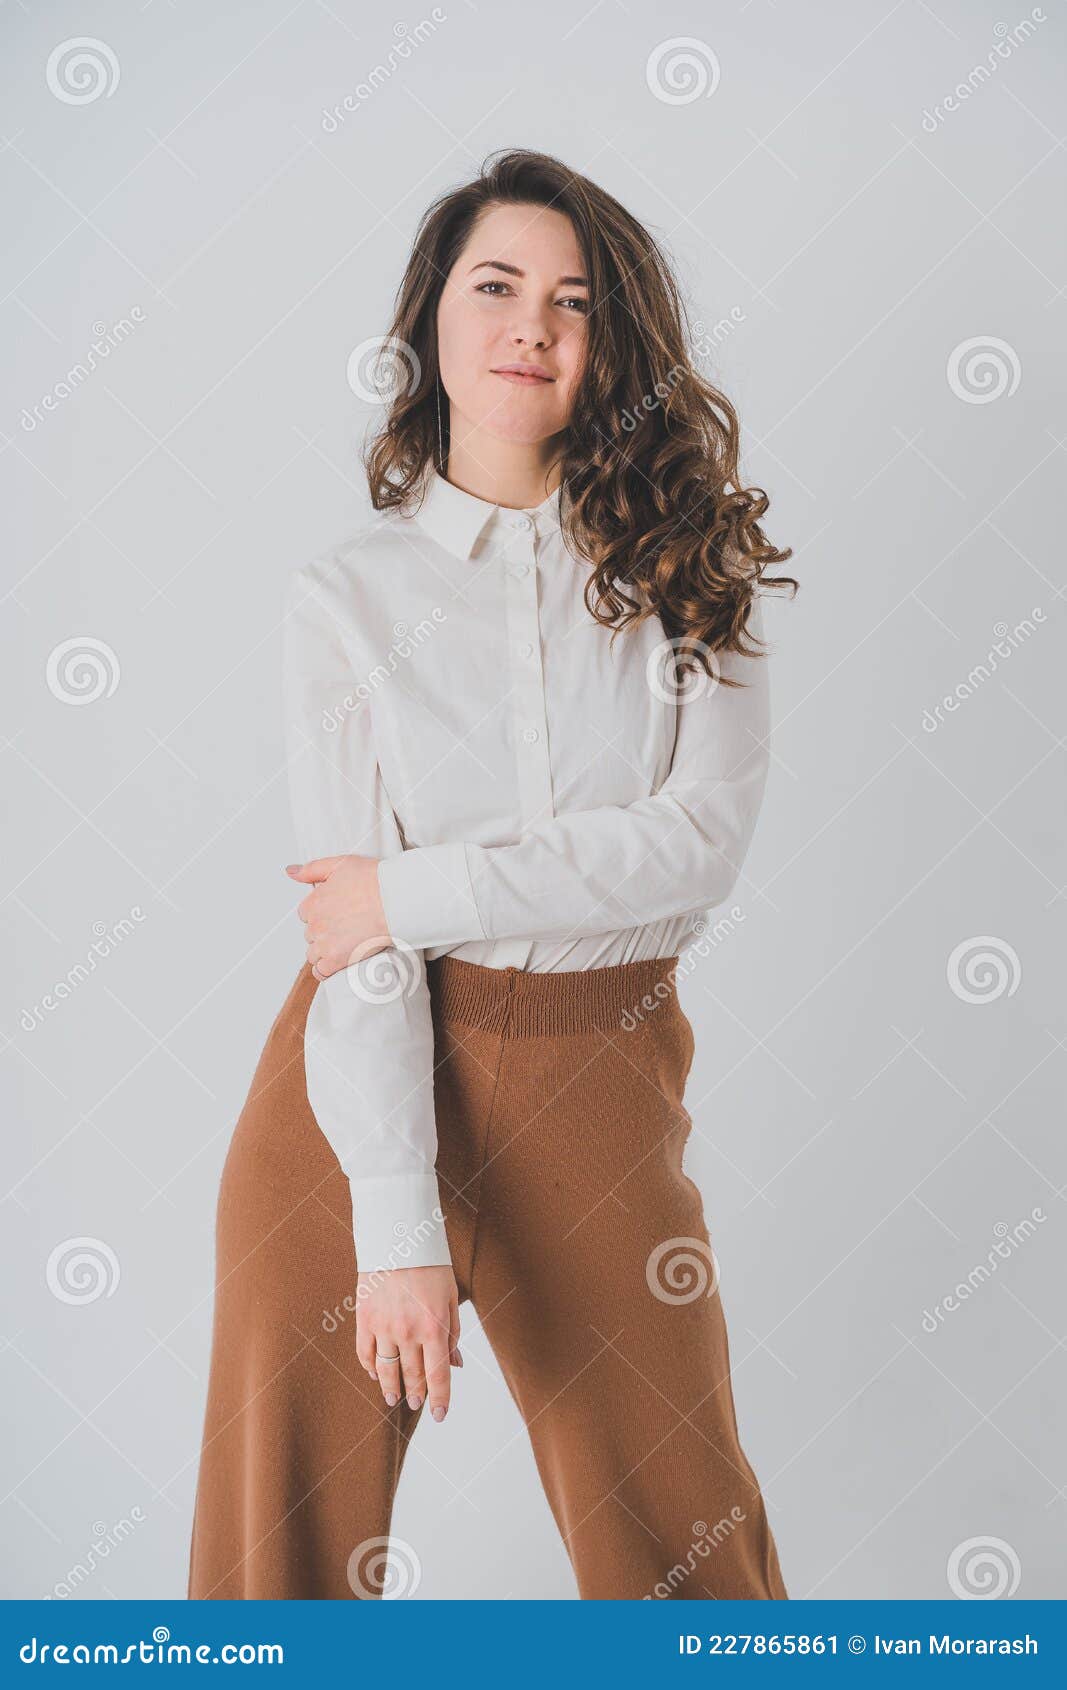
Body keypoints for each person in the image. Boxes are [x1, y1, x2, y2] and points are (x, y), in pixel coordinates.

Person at [187, 148, 796, 1601]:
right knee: (276, 1559)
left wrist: (409, 889)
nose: (533, 323)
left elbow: (694, 851)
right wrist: (393, 1218)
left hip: (598, 1074)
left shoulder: (692, 572)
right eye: (498, 286)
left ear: (611, 347)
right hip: (352, 1087)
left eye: (574, 301)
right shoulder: (346, 597)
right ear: (433, 324)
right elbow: (356, 950)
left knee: (682, 1546)